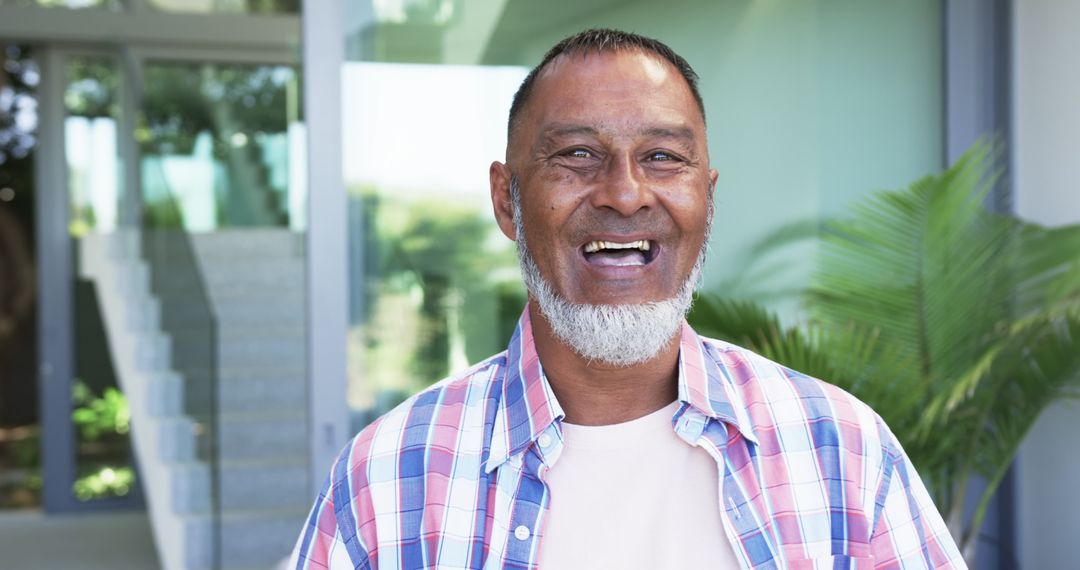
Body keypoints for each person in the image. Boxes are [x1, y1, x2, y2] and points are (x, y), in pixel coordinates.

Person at [290, 29, 964, 569]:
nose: (624, 193)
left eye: (664, 158)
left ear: (708, 194)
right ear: (507, 199)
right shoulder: (390, 476)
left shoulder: (838, 448)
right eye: (577, 155)